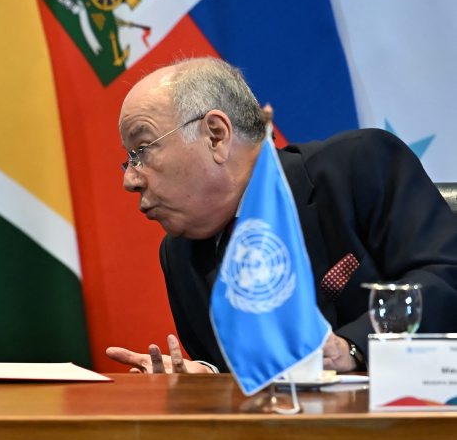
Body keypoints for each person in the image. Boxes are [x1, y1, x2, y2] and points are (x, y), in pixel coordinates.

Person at [107, 57, 457, 374]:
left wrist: (353, 347)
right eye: (129, 159)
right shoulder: (179, 253)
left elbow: (444, 278)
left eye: (142, 150)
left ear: (215, 135)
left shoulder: (359, 168)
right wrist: (206, 377)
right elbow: (239, 371)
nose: (129, 180)